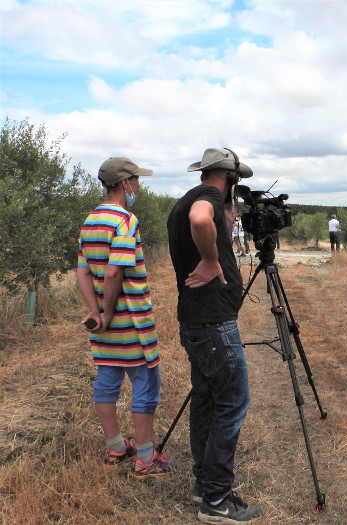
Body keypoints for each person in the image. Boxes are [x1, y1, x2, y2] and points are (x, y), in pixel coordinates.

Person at [167, 147, 263, 524]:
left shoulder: (183, 200)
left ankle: (205, 483)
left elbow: (197, 217)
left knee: (206, 400)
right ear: (230, 177)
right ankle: (218, 502)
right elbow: (200, 218)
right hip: (213, 325)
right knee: (233, 402)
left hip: (195, 321)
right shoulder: (205, 198)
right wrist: (211, 261)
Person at [77, 157, 172, 479]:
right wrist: (108, 311)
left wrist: (95, 312)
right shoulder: (125, 219)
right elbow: (115, 270)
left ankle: (116, 446)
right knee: (145, 386)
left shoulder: (89, 221)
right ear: (125, 184)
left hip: (104, 329)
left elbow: (83, 272)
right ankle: (145, 459)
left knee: (106, 383)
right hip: (132, 323)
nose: (139, 187)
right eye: (137, 181)